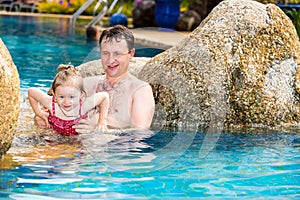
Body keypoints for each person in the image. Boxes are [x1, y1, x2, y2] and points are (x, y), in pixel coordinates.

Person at [73, 25, 155, 133]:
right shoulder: (87, 84)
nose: (110, 60)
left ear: (131, 54)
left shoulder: (140, 90)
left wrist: (97, 130)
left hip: (113, 147)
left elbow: (139, 134)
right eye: (106, 53)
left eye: (117, 54)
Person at [28, 64, 109, 135]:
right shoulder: (52, 104)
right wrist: (39, 113)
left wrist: (102, 122)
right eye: (61, 97)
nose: (67, 102)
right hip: (56, 132)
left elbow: (104, 97)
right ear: (55, 96)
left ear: (81, 95)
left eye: (72, 97)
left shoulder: (84, 105)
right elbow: (31, 92)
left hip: (76, 134)